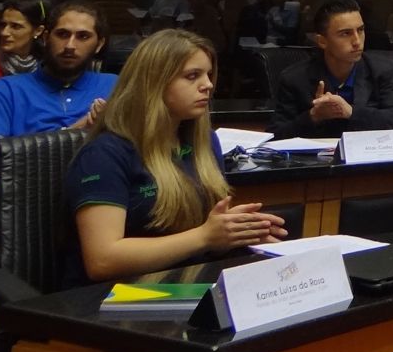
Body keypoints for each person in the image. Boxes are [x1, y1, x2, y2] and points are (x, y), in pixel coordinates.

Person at [64, 29, 285, 286]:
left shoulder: (203, 143)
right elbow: (102, 261)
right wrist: (205, 237)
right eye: (192, 76)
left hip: (183, 282)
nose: (208, 85)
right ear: (153, 83)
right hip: (114, 297)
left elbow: (197, 239)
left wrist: (234, 233)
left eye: (208, 74)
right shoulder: (105, 154)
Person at [0, 0, 117, 164]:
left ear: (99, 44)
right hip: (28, 187)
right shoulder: (8, 89)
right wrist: (73, 134)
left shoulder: (116, 86)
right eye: (62, 34)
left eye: (83, 36)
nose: (70, 45)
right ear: (46, 38)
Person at [269, 0, 393, 139]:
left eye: (361, 30)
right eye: (346, 33)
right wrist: (314, 116)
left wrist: (351, 112)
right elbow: (277, 134)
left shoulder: (380, 70)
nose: (357, 41)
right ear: (322, 41)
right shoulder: (295, 78)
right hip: (317, 161)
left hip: (366, 157)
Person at [0, 0, 47, 84]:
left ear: (38, 31)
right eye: (3, 25)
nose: (4, 33)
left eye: (15, 26)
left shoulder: (47, 67)